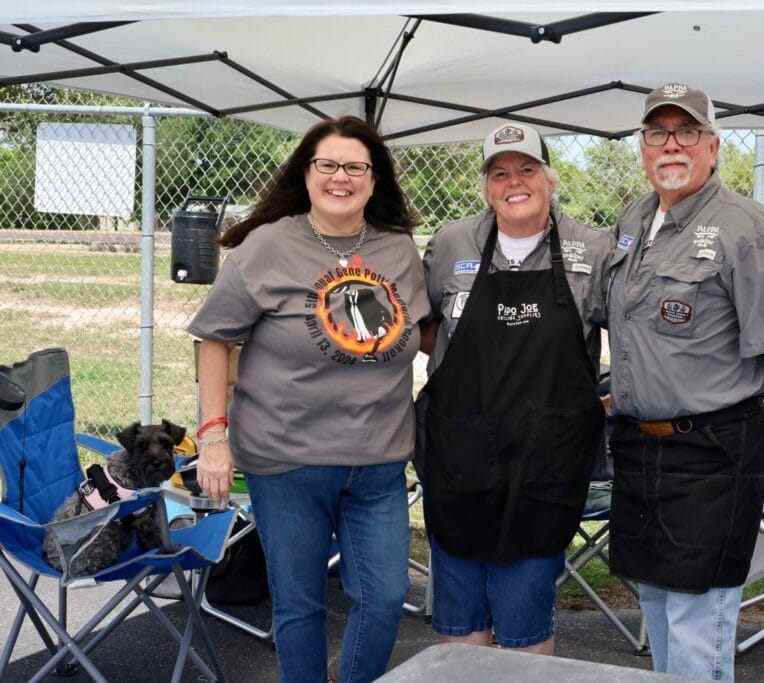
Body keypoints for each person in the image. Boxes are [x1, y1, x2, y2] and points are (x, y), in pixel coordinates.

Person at [187, 116, 429, 683]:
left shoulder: (398, 250)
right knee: (299, 605)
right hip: (286, 459)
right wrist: (213, 437)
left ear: (374, 181)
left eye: (356, 167)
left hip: (378, 462)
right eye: (328, 165)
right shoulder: (265, 246)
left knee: (387, 595)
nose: (340, 177)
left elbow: (426, 329)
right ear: (307, 172)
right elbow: (215, 339)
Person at [605, 83, 764, 681]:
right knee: (654, 601)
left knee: (700, 618)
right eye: (658, 133)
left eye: (687, 132)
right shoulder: (634, 218)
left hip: (713, 450)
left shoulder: (743, 229)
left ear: (714, 146)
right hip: (641, 444)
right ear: (643, 148)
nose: (672, 145)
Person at [419, 123, 614, 655]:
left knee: (526, 609)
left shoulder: (593, 249)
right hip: (459, 452)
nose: (514, 182)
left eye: (527, 169)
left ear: (549, 179)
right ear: (487, 186)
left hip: (546, 460)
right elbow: (424, 330)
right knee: (459, 611)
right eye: (500, 173)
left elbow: (635, 335)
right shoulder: (451, 243)